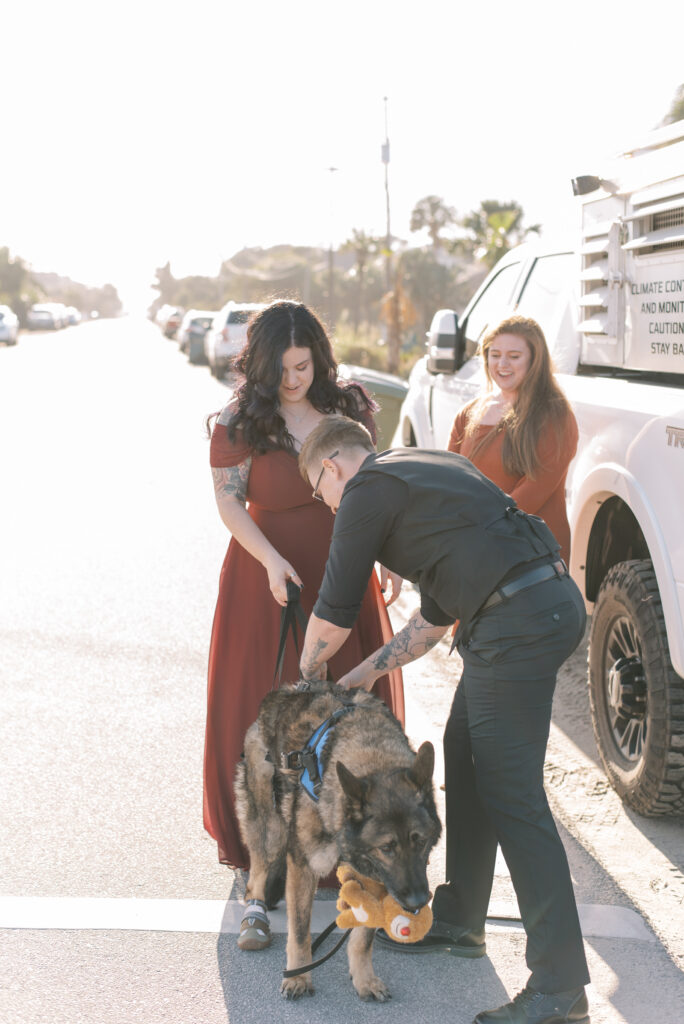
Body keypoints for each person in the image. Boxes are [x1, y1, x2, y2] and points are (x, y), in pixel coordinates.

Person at [297, 415, 590, 1024]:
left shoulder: (364, 490)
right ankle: (459, 917)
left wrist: (308, 680)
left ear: (331, 468)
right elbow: (428, 627)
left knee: (514, 795)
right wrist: (363, 676)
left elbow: (331, 616)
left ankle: (560, 987)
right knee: (464, 752)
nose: (329, 508)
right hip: (534, 607)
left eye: (320, 494)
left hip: (519, 623)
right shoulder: (428, 473)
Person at [203, 302, 404, 898]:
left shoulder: (349, 404)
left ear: (319, 355)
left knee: (352, 703)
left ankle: (360, 847)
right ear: (260, 364)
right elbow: (229, 501)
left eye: (303, 366)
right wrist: (268, 558)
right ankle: (260, 855)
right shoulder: (238, 419)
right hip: (264, 573)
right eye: (282, 370)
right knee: (260, 702)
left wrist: (386, 552)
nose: (294, 381)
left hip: (343, 564)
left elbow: (374, 484)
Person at [447, 315, 578, 564]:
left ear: (534, 359)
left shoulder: (556, 416)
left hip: (532, 563)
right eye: (494, 354)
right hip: (471, 554)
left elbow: (527, 498)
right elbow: (448, 482)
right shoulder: (468, 413)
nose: (502, 364)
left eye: (514, 356)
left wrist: (472, 538)